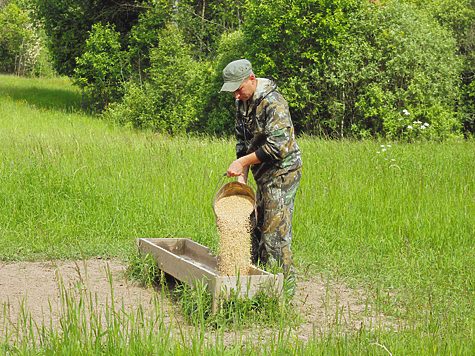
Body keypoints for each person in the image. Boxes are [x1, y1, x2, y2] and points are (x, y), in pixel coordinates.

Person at [220, 59, 303, 295]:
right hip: (261, 173)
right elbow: (243, 144)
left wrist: (242, 162)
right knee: (253, 227)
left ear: (251, 79)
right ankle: (249, 289)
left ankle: (282, 297)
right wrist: (242, 184)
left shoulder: (273, 103)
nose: (236, 95)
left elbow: (279, 148)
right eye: (232, 90)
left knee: (274, 234)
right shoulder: (242, 102)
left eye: (238, 88)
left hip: (282, 172)